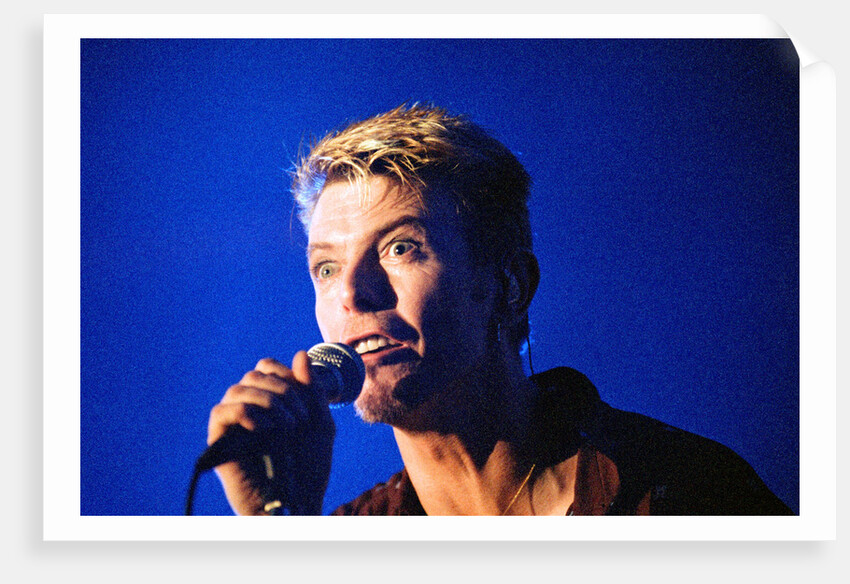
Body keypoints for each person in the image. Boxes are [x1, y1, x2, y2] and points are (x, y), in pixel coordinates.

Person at [206, 103, 793, 516]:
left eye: (401, 248)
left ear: (510, 284)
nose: (353, 294)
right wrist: (280, 528)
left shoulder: (681, 492)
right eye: (326, 267)